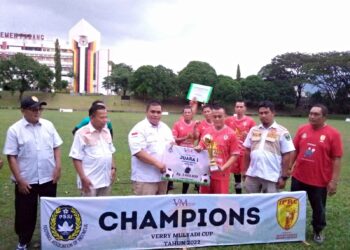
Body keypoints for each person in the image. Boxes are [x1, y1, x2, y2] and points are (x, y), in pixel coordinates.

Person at [3, 96, 63, 250]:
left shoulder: (48, 126)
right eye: (33, 109)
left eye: (39, 108)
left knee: (50, 211)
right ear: (23, 111)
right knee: (25, 213)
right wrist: (19, 180)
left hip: (48, 178)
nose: (37, 112)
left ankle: (51, 240)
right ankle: (23, 241)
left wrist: (58, 167)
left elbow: (56, 146)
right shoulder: (15, 130)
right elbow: (11, 156)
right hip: (26, 180)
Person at [290, 104, 343, 244]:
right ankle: (291, 229)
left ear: (324, 117)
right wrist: (289, 167)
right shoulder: (302, 129)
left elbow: (336, 158)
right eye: (311, 113)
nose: (312, 116)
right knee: (292, 205)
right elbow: (295, 150)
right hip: (298, 177)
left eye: (316, 114)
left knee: (318, 208)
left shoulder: (333, 134)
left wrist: (333, 181)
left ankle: (318, 230)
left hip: (319, 181)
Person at [243, 100, 295, 193]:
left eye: (266, 113)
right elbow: (247, 151)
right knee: (251, 203)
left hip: (271, 176)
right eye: (261, 113)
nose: (263, 115)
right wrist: (245, 171)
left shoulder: (283, 131)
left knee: (270, 204)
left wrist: (283, 177)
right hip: (253, 174)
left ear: (273, 113)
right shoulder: (254, 130)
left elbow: (287, 155)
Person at [128, 100, 174, 195]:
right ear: (147, 112)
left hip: (163, 177)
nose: (156, 115)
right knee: (145, 208)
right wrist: (157, 163)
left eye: (158, 112)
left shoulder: (165, 128)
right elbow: (138, 152)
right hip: (145, 179)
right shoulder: (139, 128)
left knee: (161, 207)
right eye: (152, 111)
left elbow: (172, 146)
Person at [69, 104, 116, 196]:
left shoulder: (106, 132)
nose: (105, 120)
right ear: (91, 117)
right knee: (88, 209)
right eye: (102, 118)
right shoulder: (81, 133)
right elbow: (76, 158)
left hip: (105, 181)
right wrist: (83, 178)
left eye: (106, 117)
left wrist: (113, 168)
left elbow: (110, 151)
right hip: (90, 183)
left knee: (103, 209)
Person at [195, 104, 240, 194]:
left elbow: (234, 155)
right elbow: (202, 146)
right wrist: (198, 148)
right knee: (204, 200)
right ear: (212, 117)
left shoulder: (231, 134)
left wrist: (223, 168)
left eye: (220, 116)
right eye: (215, 116)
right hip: (206, 173)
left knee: (220, 202)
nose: (217, 119)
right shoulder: (207, 131)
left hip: (221, 174)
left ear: (225, 116)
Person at [225, 100, 256, 194]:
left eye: (241, 107)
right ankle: (238, 194)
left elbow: (256, 137)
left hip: (245, 154)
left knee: (246, 175)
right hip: (234, 154)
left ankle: (249, 195)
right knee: (236, 176)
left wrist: (249, 136)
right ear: (235, 108)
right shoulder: (229, 120)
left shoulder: (250, 121)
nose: (239, 109)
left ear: (245, 108)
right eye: (237, 106)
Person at [172, 105, 198, 194]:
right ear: (183, 114)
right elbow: (174, 139)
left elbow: (196, 137)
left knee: (187, 173)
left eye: (189, 112)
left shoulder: (194, 124)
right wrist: (185, 137)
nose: (187, 114)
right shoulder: (177, 124)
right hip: (179, 152)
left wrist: (194, 129)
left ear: (192, 114)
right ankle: (168, 187)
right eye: (185, 112)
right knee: (173, 171)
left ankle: (184, 194)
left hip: (190, 153)